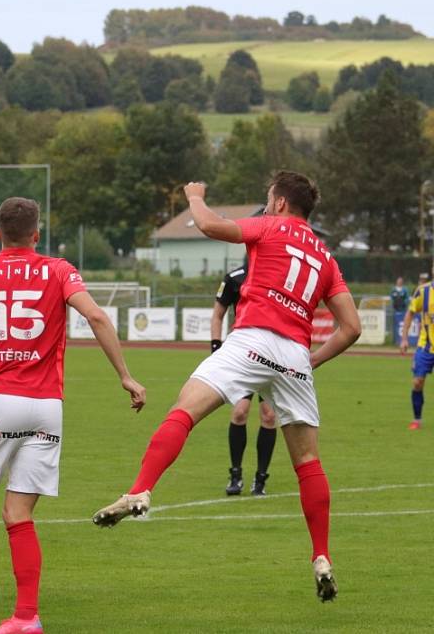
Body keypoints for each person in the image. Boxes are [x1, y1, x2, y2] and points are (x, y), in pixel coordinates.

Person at [92, 171, 361, 603]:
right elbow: (352, 328)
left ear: (278, 203)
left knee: (185, 410)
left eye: (268, 199)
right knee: (308, 461)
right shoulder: (326, 259)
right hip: (294, 355)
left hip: (252, 338)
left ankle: (140, 490)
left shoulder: (272, 226)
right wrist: (310, 361)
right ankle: (322, 556)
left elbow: (211, 225)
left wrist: (195, 198)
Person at [0, 197, 146, 634]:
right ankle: (26, 617)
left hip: (1, 400)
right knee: (19, 514)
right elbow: (96, 317)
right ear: (37, 234)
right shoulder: (59, 270)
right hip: (49, 407)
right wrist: (125, 375)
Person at [211, 263, 277, 496]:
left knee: (269, 416)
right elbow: (218, 314)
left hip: (272, 355)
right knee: (239, 412)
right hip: (242, 355)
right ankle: (236, 475)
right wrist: (216, 347)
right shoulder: (235, 277)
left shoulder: (276, 273)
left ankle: (260, 479)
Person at [399, 275, 434, 430]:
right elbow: (410, 313)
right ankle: (417, 419)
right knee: (418, 382)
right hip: (425, 346)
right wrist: (404, 339)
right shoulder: (423, 291)